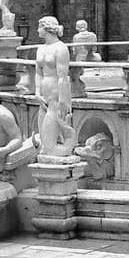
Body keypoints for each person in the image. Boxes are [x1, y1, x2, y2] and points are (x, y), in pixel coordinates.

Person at [34, 16, 76, 157]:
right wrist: (37, 92)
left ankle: (62, 151)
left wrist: (64, 100)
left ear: (47, 28)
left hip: (56, 94)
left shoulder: (61, 48)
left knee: (48, 142)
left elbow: (63, 76)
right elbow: (38, 73)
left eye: (39, 26)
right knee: (44, 141)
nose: (37, 30)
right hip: (44, 93)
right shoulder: (40, 49)